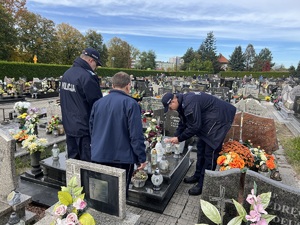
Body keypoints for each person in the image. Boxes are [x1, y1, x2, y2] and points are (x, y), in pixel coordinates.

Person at [162, 92, 236, 195]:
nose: (170, 109)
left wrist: (179, 138)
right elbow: (183, 122)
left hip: (220, 119)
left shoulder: (189, 103)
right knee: (201, 148)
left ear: (173, 101)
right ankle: (197, 175)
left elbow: (194, 127)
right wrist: (176, 136)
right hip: (209, 119)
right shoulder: (182, 102)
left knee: (210, 154)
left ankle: (204, 184)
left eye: (169, 107)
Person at [90, 71, 147, 196]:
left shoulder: (98, 103)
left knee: (102, 192)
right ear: (128, 85)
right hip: (122, 158)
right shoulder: (131, 104)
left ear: (113, 85)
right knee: (119, 195)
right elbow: (136, 135)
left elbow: (92, 129)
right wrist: (141, 158)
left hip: (99, 154)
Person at [59, 47, 103, 162]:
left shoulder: (67, 74)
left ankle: (73, 181)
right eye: (96, 65)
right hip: (84, 129)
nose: (95, 68)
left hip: (69, 126)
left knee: (73, 162)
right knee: (87, 165)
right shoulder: (88, 77)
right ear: (91, 61)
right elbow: (97, 105)